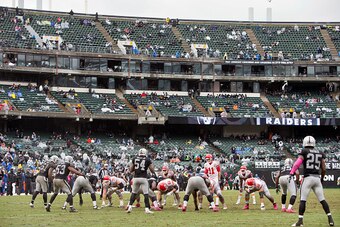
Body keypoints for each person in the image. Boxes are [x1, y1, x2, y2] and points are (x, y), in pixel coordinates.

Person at [290, 136, 334, 226]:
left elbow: (297, 163)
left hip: (308, 178)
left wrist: (292, 172)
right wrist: (321, 179)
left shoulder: (304, 151)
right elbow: (324, 168)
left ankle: (300, 221)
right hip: (317, 178)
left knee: (303, 200)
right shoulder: (320, 152)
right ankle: (330, 219)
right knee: (322, 200)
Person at [126, 148, 155, 214]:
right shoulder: (148, 159)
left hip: (135, 178)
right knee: (146, 194)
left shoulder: (134, 158)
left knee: (134, 193)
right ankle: (147, 209)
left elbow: (131, 170)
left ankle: (130, 206)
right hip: (143, 178)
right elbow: (152, 170)